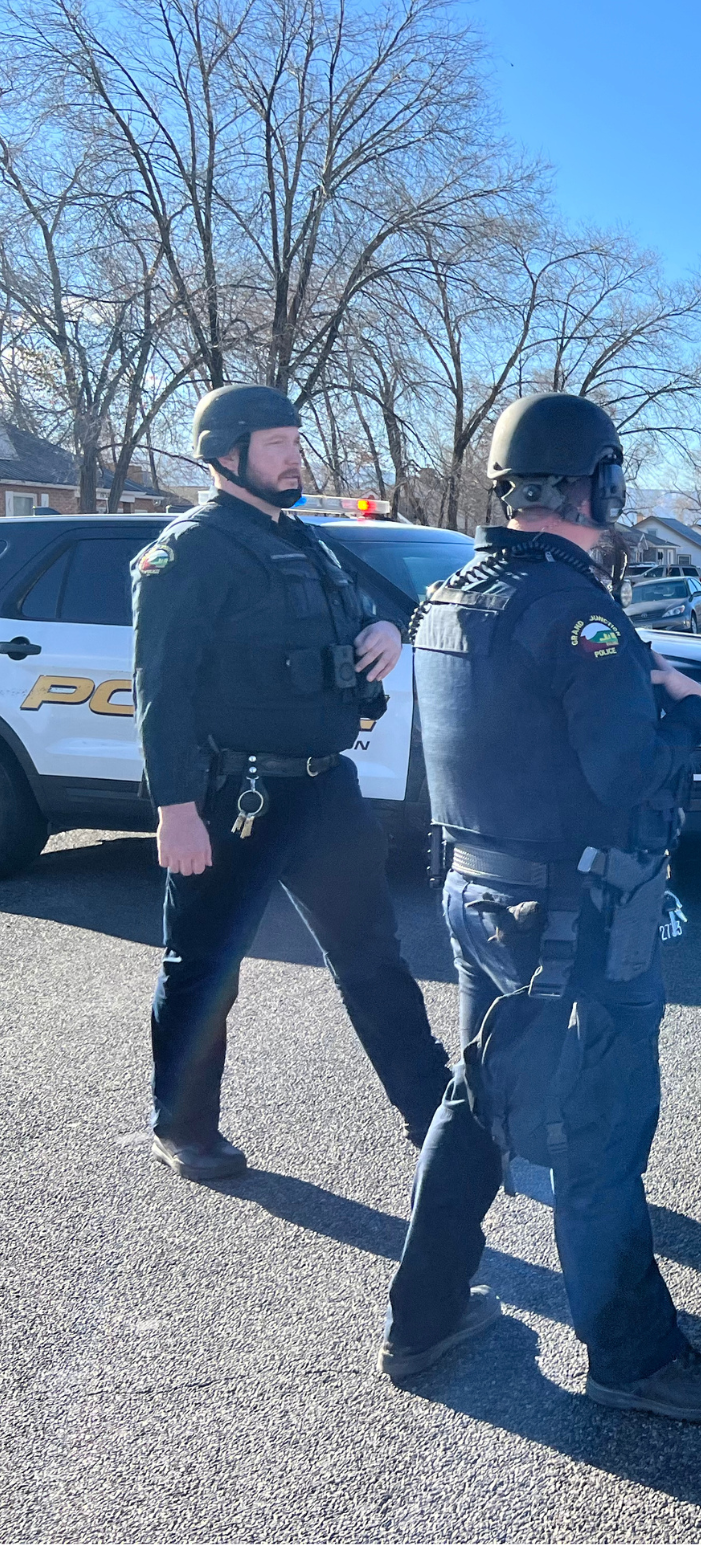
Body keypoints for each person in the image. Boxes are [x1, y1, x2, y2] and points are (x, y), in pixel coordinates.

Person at [379, 392, 701, 1422]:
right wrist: (684, 711)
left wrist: (631, 680)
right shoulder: (579, 614)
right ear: (590, 484)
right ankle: (632, 1358)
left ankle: (422, 1320)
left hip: (477, 896)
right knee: (599, 1133)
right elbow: (629, 776)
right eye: (612, 481)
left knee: (477, 1105)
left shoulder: (452, 596)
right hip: (577, 916)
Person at [132, 384, 450, 1182]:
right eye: (276, 443)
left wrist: (383, 631)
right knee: (205, 966)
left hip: (324, 791)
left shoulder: (304, 540)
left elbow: (354, 624)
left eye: (295, 441)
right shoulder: (189, 550)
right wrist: (175, 809)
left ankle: (438, 1117)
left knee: (374, 956)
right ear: (226, 454)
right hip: (230, 797)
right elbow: (160, 690)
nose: (294, 456)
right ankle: (184, 1126)